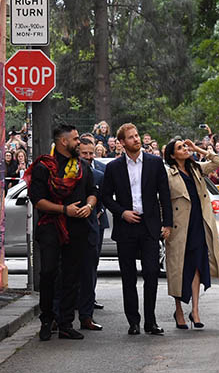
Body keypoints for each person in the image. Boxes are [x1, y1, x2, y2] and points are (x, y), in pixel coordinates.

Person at [99, 123, 173, 336]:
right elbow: (105, 197)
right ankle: (133, 321)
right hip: (126, 227)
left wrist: (167, 223)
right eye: (131, 137)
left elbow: (164, 195)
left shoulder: (155, 163)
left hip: (149, 226)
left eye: (137, 135)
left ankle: (151, 321)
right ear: (122, 142)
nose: (136, 139)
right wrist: (122, 212)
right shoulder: (113, 167)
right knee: (128, 276)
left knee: (151, 273)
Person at [28, 124, 97, 341]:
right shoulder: (43, 167)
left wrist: (89, 206)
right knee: (48, 273)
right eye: (76, 139)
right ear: (63, 141)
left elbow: (93, 192)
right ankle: (47, 320)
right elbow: (38, 201)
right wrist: (65, 210)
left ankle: (66, 323)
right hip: (51, 228)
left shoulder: (82, 167)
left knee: (71, 276)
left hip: (77, 230)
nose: (80, 142)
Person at [163, 138, 219, 330]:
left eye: (185, 146)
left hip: (199, 223)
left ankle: (196, 311)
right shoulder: (168, 174)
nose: (185, 149)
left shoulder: (196, 168)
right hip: (178, 227)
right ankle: (179, 311)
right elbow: (163, 201)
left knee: (198, 266)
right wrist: (164, 225)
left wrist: (197, 148)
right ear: (172, 155)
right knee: (178, 269)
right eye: (180, 148)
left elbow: (218, 161)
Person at [77, 135, 109, 330]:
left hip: (96, 223)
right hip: (77, 224)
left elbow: (104, 197)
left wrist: (99, 211)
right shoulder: (71, 172)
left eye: (91, 153)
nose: (89, 157)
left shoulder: (101, 172)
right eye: (85, 153)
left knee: (92, 265)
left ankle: (88, 304)